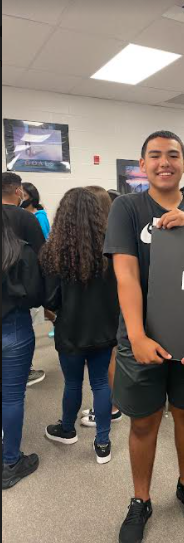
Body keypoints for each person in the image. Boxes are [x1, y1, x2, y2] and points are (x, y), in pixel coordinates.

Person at [104, 130, 184, 543]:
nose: (164, 162)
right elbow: (126, 275)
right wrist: (135, 335)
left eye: (173, 155)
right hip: (143, 340)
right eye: (155, 155)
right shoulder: (127, 208)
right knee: (144, 422)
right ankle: (140, 499)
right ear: (143, 165)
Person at [41, 188, 120, 465]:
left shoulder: (52, 252)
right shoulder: (112, 250)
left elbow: (50, 300)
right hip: (104, 329)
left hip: (70, 330)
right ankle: (103, 443)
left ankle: (67, 429)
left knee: (72, 382)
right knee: (100, 382)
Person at [2, 209, 44, 489]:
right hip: (13, 327)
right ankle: (11, 462)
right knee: (12, 396)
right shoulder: (21, 251)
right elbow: (36, 294)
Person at [80, 185, 122, 428]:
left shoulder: (106, 238)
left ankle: (112, 407)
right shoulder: (107, 234)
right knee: (108, 359)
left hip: (109, 309)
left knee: (109, 360)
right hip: (110, 307)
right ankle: (108, 405)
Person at [2, 172, 46, 386]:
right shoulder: (26, 218)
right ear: (18, 191)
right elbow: (42, 257)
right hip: (16, 300)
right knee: (13, 395)